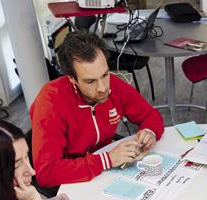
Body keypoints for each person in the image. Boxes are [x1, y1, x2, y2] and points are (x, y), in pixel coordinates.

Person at [30, 32, 164, 187]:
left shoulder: (112, 84)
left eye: (105, 74)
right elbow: (47, 173)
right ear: (72, 79)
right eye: (90, 81)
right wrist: (108, 159)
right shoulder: (50, 102)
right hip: (73, 181)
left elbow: (150, 115)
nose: (103, 88)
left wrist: (150, 132)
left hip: (106, 170)